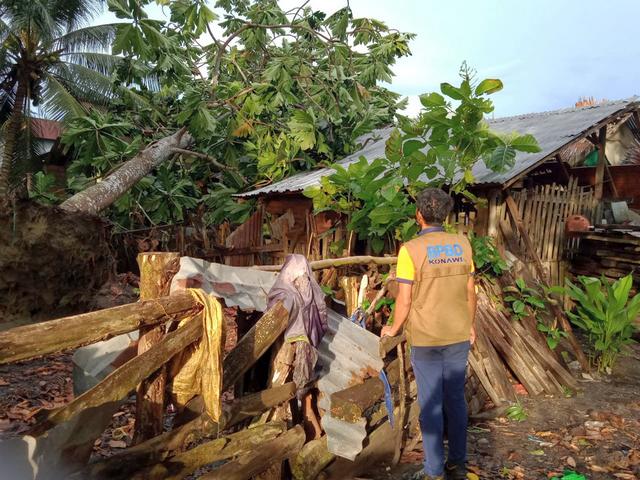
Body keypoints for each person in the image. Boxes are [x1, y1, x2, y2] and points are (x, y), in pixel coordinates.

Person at [382, 188, 477, 480]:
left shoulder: (410, 250)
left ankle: (433, 470)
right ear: (445, 216)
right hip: (458, 335)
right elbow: (470, 291)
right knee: (456, 401)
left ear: (418, 215)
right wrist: (470, 325)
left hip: (426, 339)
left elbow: (405, 300)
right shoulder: (463, 245)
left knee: (431, 404)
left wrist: (392, 328)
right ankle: (458, 464)